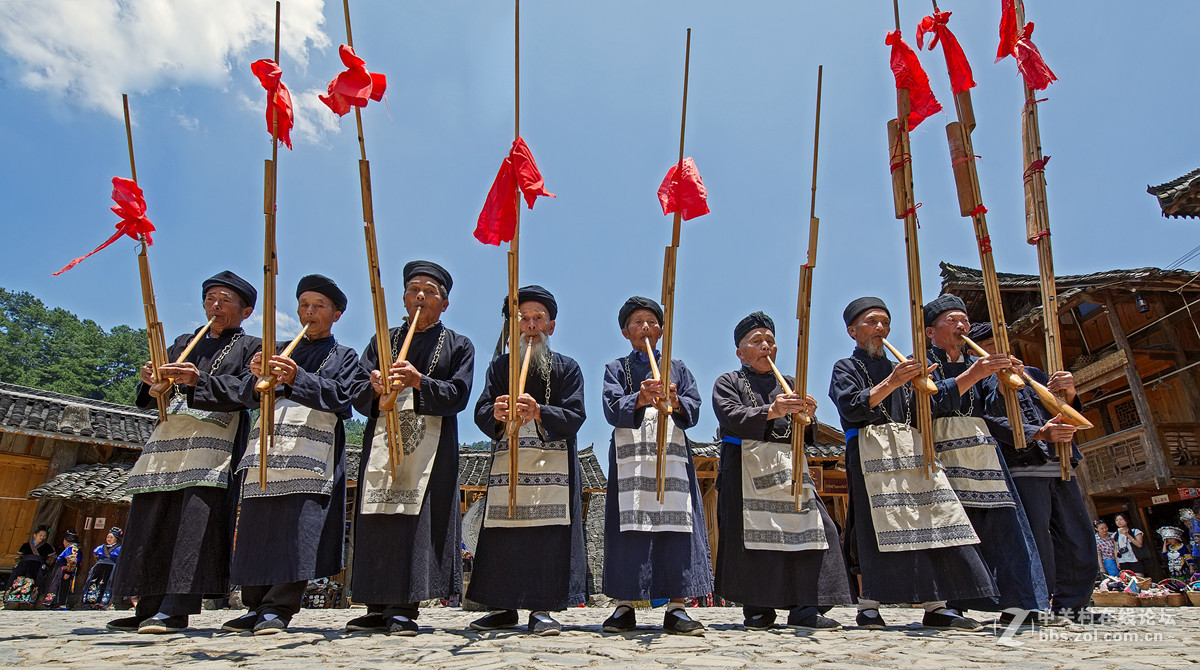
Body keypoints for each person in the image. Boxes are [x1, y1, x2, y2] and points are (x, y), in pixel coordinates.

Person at [108, 270, 263, 634]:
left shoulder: (252, 346)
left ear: (246, 310)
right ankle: (146, 606)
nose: (215, 305)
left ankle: (176, 608)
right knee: (154, 521)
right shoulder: (183, 342)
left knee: (192, 526)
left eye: (225, 300)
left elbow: (250, 392)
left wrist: (200, 381)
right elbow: (154, 394)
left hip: (212, 449)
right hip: (168, 444)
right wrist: (152, 382)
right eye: (210, 298)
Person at [829, 297, 996, 632]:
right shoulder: (846, 367)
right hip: (869, 451)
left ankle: (937, 604)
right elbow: (851, 407)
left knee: (930, 519)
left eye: (885, 323)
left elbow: (934, 406)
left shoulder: (904, 365)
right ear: (852, 331)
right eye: (872, 322)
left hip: (911, 450)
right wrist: (893, 381)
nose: (880, 329)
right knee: (872, 526)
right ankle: (869, 606)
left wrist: (928, 385)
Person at [224, 274, 371, 635]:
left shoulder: (344, 356)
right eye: (304, 304)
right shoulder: (279, 348)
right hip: (267, 452)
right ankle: (254, 605)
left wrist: (296, 378)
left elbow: (341, 398)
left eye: (319, 306)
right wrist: (259, 375)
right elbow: (247, 395)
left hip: (311, 454)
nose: (309, 311)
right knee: (258, 529)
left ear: (336, 315)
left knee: (296, 532)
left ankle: (279, 607)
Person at [346, 261, 475, 636]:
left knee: (414, 523)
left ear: (444, 304)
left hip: (430, 448)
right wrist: (373, 386)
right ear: (403, 297)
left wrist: (420, 381)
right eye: (414, 289)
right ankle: (375, 603)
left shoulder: (458, 344)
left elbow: (459, 394)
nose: (421, 296)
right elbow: (356, 390)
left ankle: (404, 605)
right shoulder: (381, 340)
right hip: (381, 443)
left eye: (430, 291)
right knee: (378, 519)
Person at [714, 311, 852, 631]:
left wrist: (810, 415)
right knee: (755, 539)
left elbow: (810, 435)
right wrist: (771, 410)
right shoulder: (729, 382)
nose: (766, 346)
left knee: (816, 531)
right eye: (757, 341)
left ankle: (807, 607)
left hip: (790, 469)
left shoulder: (789, 383)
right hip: (744, 470)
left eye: (771, 341)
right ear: (740, 352)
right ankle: (759, 610)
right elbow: (730, 416)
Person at [921, 296, 1050, 622]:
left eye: (964, 320)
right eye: (952, 320)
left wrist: (1008, 383)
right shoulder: (920, 363)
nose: (962, 326)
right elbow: (927, 404)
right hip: (939, 450)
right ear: (930, 332)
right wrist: (974, 375)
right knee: (951, 529)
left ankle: (1017, 603)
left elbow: (996, 412)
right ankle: (950, 605)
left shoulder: (977, 363)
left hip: (983, 452)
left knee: (1004, 528)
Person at [468, 286, 587, 636]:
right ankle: (502, 606)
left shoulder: (567, 367)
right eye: (524, 319)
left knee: (547, 537)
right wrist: (496, 412)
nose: (531, 326)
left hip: (552, 472)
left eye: (538, 319)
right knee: (502, 535)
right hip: (509, 466)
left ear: (551, 326)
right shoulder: (501, 366)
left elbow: (576, 414)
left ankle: (543, 608)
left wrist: (541, 411)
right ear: (514, 326)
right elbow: (481, 410)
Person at [973, 321, 1109, 623]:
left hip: (1060, 464)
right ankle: (1036, 603)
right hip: (1023, 466)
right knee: (1036, 540)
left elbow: (1061, 409)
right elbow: (989, 422)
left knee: (1078, 535)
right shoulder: (979, 381)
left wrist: (1070, 395)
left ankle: (1073, 604)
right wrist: (1038, 433)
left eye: (1001, 341)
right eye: (991, 343)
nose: (1000, 349)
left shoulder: (1033, 374)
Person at [599, 297, 711, 635]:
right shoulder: (615, 369)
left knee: (675, 529)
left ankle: (677, 607)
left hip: (672, 454)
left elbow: (694, 407)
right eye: (637, 322)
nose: (645, 327)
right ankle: (624, 606)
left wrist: (675, 400)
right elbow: (610, 407)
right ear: (625, 331)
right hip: (630, 456)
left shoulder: (678, 367)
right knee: (628, 530)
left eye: (651, 321)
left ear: (661, 330)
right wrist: (641, 398)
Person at [4, 526, 55, 608]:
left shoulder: (47, 547)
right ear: (35, 535)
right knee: (19, 583)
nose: (42, 537)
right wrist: (19, 563)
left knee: (34, 584)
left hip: (37, 567)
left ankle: (31, 604)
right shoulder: (26, 545)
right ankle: (17, 603)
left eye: (44, 536)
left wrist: (45, 564)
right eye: (40, 535)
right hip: (23, 567)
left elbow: (52, 557)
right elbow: (18, 555)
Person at [81, 528, 122, 609]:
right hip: (99, 566)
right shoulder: (101, 547)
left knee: (108, 583)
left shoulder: (119, 548)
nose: (109, 539)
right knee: (94, 582)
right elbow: (95, 555)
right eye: (108, 537)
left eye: (111, 537)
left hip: (111, 567)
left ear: (116, 539)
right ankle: (91, 602)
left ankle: (104, 603)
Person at [41, 530, 80, 608]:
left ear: (66, 541)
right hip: (62, 570)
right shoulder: (71, 548)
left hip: (63, 571)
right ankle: (56, 603)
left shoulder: (71, 549)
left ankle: (59, 603)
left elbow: (72, 560)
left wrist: (68, 572)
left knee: (61, 586)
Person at [1113, 513, 1146, 577]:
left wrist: (1127, 535)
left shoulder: (1135, 531)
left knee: (1139, 578)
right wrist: (1117, 561)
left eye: (1121, 519)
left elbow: (1139, 545)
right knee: (1127, 579)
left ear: (1126, 520)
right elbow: (1116, 548)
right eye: (1116, 520)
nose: (1118, 522)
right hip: (1122, 560)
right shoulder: (1115, 535)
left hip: (1135, 558)